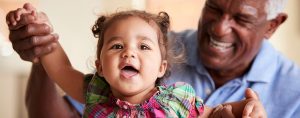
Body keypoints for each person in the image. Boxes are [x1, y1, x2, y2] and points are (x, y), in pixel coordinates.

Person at [7, 0, 300, 117]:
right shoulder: (95, 92)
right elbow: (58, 66)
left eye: (143, 47)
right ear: (99, 66)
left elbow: (214, 112)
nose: (129, 52)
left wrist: (244, 109)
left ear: (163, 67)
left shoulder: (176, 101)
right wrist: (40, 30)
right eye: (116, 46)